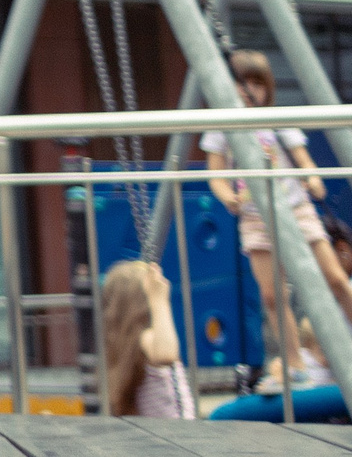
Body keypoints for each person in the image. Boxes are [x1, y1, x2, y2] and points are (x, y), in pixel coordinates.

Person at [200, 50, 352, 388]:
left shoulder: (279, 118)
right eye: (244, 83)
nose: (250, 91)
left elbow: (304, 160)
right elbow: (216, 175)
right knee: (271, 295)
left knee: (336, 278)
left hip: (295, 208)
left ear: (268, 87)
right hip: (256, 217)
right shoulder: (223, 126)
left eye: (258, 83)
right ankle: (295, 363)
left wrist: (312, 179)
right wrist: (229, 198)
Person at [99, 260, 194, 419]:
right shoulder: (140, 341)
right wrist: (159, 299)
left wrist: (157, 298)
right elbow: (167, 354)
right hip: (173, 433)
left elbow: (165, 355)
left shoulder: (135, 343)